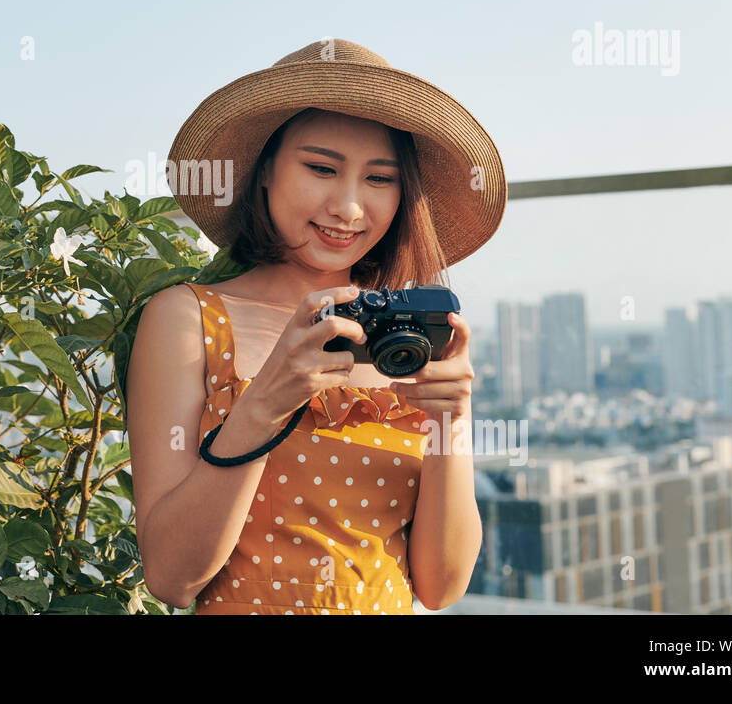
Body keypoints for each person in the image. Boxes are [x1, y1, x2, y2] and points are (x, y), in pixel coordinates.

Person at [124, 37, 508, 614]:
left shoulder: (405, 334)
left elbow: (441, 586)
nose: (349, 207)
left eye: (380, 179)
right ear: (262, 174)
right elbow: (172, 578)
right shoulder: (187, 318)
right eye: (321, 168)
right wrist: (264, 404)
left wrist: (452, 419)